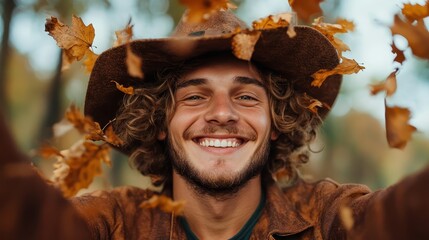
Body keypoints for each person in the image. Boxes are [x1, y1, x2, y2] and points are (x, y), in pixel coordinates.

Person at [1, 8, 428, 240]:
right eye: (194, 96)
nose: (222, 113)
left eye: (245, 96)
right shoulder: (110, 224)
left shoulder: (329, 218)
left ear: (276, 121)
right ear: (159, 122)